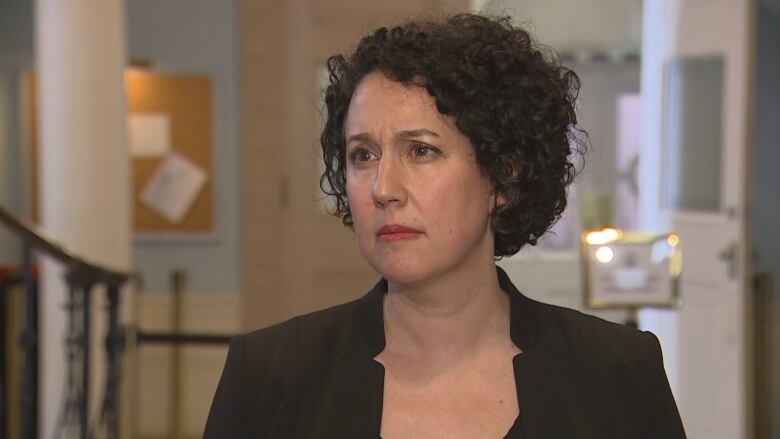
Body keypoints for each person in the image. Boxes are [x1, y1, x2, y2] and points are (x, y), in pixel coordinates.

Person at [204, 13, 686, 439]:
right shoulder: (269, 373)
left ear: (502, 177)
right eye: (362, 155)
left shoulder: (617, 371)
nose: (382, 187)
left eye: (421, 150)